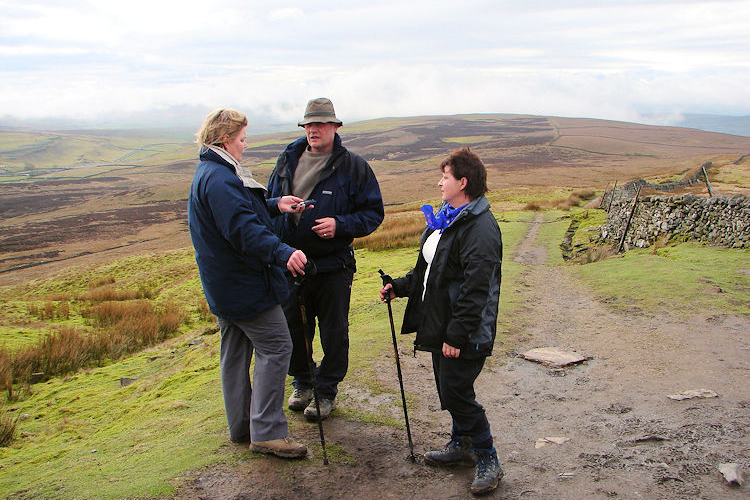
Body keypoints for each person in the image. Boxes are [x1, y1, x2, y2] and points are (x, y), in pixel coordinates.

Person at [188, 108, 311, 459]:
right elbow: (243, 230)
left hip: (224, 287)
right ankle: (268, 432)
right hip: (245, 286)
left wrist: (275, 205)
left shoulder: (210, 172)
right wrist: (282, 252)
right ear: (226, 139)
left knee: (235, 353)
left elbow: (240, 214)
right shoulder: (221, 178)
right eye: (242, 139)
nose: (245, 144)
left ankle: (242, 426)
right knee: (277, 347)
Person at [379, 147, 503, 495]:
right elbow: (429, 270)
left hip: (463, 329)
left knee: (457, 391)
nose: (439, 183)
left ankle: (487, 457)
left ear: (463, 182)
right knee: (447, 389)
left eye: (445, 177)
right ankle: (460, 444)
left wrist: (458, 335)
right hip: (441, 322)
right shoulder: (449, 218)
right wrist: (399, 287)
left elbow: (477, 289)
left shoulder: (480, 227)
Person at [267, 98, 384, 422]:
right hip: (292, 264)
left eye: (320, 124)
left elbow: (374, 213)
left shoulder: (353, 166)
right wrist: (278, 204)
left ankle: (326, 390)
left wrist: (340, 225)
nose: (313, 130)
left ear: (334, 127)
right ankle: (303, 382)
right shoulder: (286, 159)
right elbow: (268, 202)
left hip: (333, 267)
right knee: (294, 328)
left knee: (334, 331)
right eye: (309, 124)